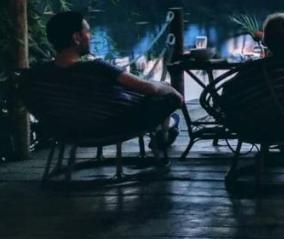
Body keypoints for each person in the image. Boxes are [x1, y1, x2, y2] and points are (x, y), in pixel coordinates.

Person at [42, 11, 183, 152]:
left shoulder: (38, 75)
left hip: (64, 131)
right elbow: (149, 88)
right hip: (112, 127)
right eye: (88, 32)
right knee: (168, 97)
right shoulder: (97, 68)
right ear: (76, 37)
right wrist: (172, 91)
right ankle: (165, 132)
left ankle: (167, 127)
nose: (90, 37)